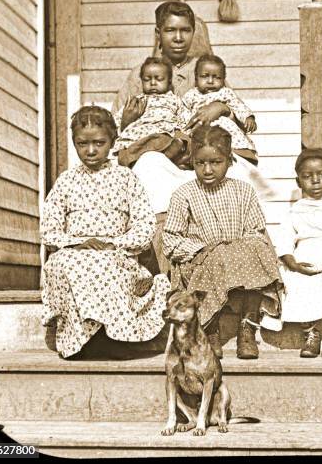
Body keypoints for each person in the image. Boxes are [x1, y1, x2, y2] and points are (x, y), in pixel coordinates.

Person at [40, 106, 170, 359]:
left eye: (99, 143)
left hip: (116, 252)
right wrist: (77, 243)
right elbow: (48, 229)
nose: (90, 151)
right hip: (75, 251)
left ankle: (111, 338)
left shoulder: (125, 178)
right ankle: (78, 341)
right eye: (82, 143)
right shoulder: (66, 181)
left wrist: (114, 244)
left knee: (106, 264)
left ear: (112, 141)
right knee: (63, 264)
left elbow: (144, 224)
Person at [161, 125, 282, 360]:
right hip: (200, 260)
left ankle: (247, 325)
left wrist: (233, 249)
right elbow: (170, 239)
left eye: (215, 162)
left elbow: (255, 230)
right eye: (200, 163)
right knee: (216, 256)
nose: (207, 169)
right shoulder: (184, 194)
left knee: (259, 247)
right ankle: (210, 328)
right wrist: (202, 249)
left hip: (238, 259)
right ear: (192, 161)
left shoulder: (243, 191)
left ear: (229, 160)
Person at [111, 1, 233, 216]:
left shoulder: (205, 68)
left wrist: (221, 107)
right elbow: (115, 126)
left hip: (198, 159)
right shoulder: (142, 73)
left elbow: (233, 109)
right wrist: (126, 122)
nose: (178, 38)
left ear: (193, 32)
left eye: (185, 30)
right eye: (170, 30)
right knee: (149, 167)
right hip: (156, 158)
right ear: (158, 33)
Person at [271, 148, 322, 359]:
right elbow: (284, 239)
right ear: (298, 181)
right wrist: (293, 263)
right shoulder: (296, 209)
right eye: (307, 177)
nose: (315, 181)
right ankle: (311, 333)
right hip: (305, 258)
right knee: (295, 281)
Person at [182, 54, 275, 199]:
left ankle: (240, 155)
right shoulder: (191, 96)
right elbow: (183, 112)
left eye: (217, 77)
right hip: (203, 131)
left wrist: (248, 117)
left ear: (223, 80)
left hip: (226, 131)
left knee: (231, 152)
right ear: (196, 78)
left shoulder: (225, 93)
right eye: (205, 76)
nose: (211, 81)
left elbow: (239, 106)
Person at [112, 56, 191, 168]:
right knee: (125, 151)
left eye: (159, 79)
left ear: (168, 82)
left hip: (163, 134)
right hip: (141, 137)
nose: (153, 83)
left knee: (177, 140)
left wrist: (184, 132)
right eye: (147, 79)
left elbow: (186, 118)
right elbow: (117, 120)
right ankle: (139, 162)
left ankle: (169, 155)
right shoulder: (137, 100)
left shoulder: (174, 99)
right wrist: (124, 122)